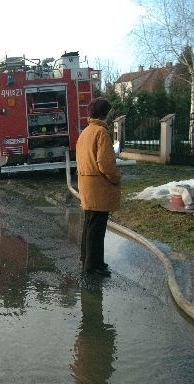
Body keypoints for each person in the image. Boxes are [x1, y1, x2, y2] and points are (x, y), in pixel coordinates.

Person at [76, 97, 121, 277]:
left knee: (89, 225)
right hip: (99, 187)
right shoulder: (101, 133)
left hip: (87, 185)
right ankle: (93, 266)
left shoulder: (85, 132)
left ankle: (87, 260)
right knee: (97, 228)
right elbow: (105, 163)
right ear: (105, 113)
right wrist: (115, 177)